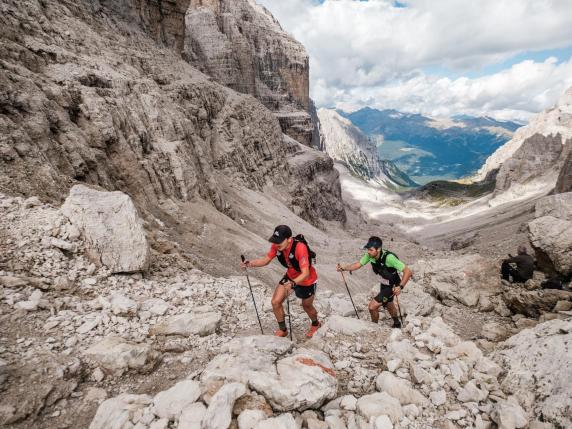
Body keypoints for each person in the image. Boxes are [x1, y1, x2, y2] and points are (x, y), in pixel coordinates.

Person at [240, 225, 321, 338]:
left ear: (289, 239)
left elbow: (305, 273)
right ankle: (283, 330)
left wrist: (293, 283)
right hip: (290, 276)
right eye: (275, 241)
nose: (276, 244)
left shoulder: (300, 248)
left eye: (279, 241)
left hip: (307, 280)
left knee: (306, 305)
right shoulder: (277, 246)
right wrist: (250, 264)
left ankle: (316, 324)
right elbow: (266, 260)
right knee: (275, 302)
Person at [337, 236, 412, 328]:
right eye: (368, 249)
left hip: (392, 285)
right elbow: (358, 264)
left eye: (371, 249)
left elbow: (408, 271)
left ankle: (374, 328)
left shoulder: (389, 258)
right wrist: (344, 268)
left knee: (372, 307)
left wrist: (400, 287)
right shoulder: (370, 255)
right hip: (384, 283)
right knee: (388, 303)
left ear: (379, 249)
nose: (368, 251)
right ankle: (397, 323)